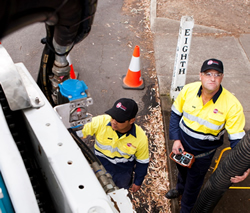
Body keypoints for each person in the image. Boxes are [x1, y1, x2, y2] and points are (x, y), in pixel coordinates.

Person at [165, 58, 247, 212]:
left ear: (222, 77)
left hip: (203, 155)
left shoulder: (232, 105)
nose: (212, 78)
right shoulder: (188, 90)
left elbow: (237, 140)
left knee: (194, 184)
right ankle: (179, 189)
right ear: (200, 75)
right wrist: (176, 140)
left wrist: (244, 167)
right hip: (181, 147)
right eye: (208, 73)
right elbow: (175, 115)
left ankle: (186, 208)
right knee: (181, 172)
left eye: (217, 74)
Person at [81, 98, 149, 192]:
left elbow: (142, 162)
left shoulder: (140, 138)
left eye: (119, 120)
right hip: (98, 164)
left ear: (131, 121)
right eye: (113, 117)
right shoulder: (101, 122)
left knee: (118, 194)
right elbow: (79, 131)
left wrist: (138, 182)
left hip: (122, 173)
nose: (113, 122)